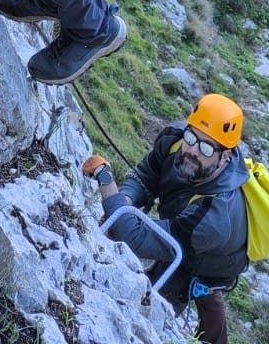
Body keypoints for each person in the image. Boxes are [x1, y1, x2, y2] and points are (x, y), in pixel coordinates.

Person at [82, 93, 250, 344]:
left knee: (169, 301)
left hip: (211, 261)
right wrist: (125, 201)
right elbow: (144, 177)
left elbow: (132, 236)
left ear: (225, 157)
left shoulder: (215, 218)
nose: (192, 150)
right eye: (191, 137)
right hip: (181, 227)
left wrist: (105, 178)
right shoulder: (175, 139)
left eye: (205, 148)